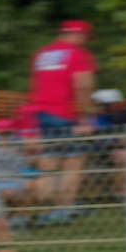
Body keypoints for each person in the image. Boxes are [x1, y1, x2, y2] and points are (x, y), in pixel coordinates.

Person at [25, 18, 97, 217]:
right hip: (65, 113)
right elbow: (83, 86)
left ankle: (45, 206)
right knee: (74, 161)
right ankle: (64, 208)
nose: (86, 41)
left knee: (50, 161)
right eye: (85, 37)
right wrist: (86, 115)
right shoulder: (78, 54)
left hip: (42, 113)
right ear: (77, 34)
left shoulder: (41, 54)